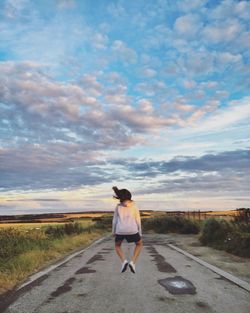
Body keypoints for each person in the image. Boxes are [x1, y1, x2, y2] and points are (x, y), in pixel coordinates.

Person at [112, 186, 143, 274]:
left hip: (120, 230)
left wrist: (113, 232)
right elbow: (138, 220)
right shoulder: (135, 206)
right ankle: (132, 262)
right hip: (132, 230)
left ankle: (124, 261)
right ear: (129, 196)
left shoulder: (118, 207)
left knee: (117, 246)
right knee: (139, 244)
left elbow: (114, 221)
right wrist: (140, 232)